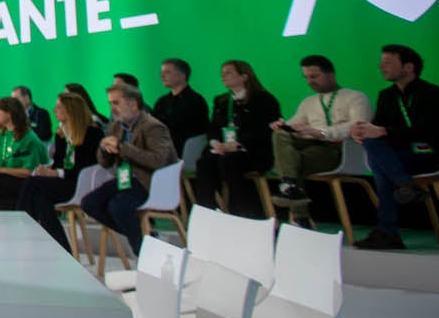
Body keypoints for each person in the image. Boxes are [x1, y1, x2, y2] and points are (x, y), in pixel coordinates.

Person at [352, 45, 439, 251]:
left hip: (431, 153)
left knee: (381, 165)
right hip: (400, 157)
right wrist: (363, 131)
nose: (381, 67)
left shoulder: (434, 94)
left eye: (388, 63)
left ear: (409, 67)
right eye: (381, 62)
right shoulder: (387, 95)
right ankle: (405, 185)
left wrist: (383, 131)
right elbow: (378, 129)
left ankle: (389, 231)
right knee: (373, 145)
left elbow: (429, 131)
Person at [80, 83, 177, 255]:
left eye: (116, 103)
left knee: (119, 206)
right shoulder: (116, 127)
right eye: (110, 103)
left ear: (133, 104)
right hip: (125, 180)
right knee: (89, 203)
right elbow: (105, 163)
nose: (112, 108)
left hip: (148, 181)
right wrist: (103, 148)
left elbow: (158, 161)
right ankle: (147, 238)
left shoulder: (153, 127)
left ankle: (143, 252)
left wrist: (122, 147)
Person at [270, 55, 372, 202]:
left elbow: (358, 126)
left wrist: (321, 132)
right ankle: (290, 185)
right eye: (306, 77)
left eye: (314, 76)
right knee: (280, 135)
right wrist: (283, 126)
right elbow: (295, 123)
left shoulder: (356, 97)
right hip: (311, 146)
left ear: (331, 74)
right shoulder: (308, 102)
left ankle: (298, 211)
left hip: (339, 150)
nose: (310, 81)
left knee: (287, 163)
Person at [191, 60, 283, 217]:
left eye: (228, 73)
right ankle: (206, 212)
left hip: (253, 150)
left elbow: (265, 129)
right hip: (225, 149)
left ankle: (243, 213)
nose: (223, 76)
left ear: (244, 76)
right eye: (222, 73)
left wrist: (238, 144)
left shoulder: (263, 99)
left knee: (231, 162)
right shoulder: (221, 101)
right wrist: (216, 143)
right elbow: (213, 128)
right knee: (205, 162)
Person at [20, 92, 101, 250]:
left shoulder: (92, 134)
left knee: (31, 183)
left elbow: (85, 168)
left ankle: (20, 226)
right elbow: (58, 164)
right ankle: (62, 248)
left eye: (58, 107)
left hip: (80, 184)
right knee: (40, 200)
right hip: (63, 182)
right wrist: (47, 169)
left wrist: (56, 173)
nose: (54, 110)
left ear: (71, 110)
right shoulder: (61, 135)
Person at [152, 58, 210, 153]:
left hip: (183, 147)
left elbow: (194, 131)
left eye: (167, 72)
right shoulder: (162, 101)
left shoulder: (195, 101)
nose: (162, 75)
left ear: (181, 75)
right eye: (162, 72)